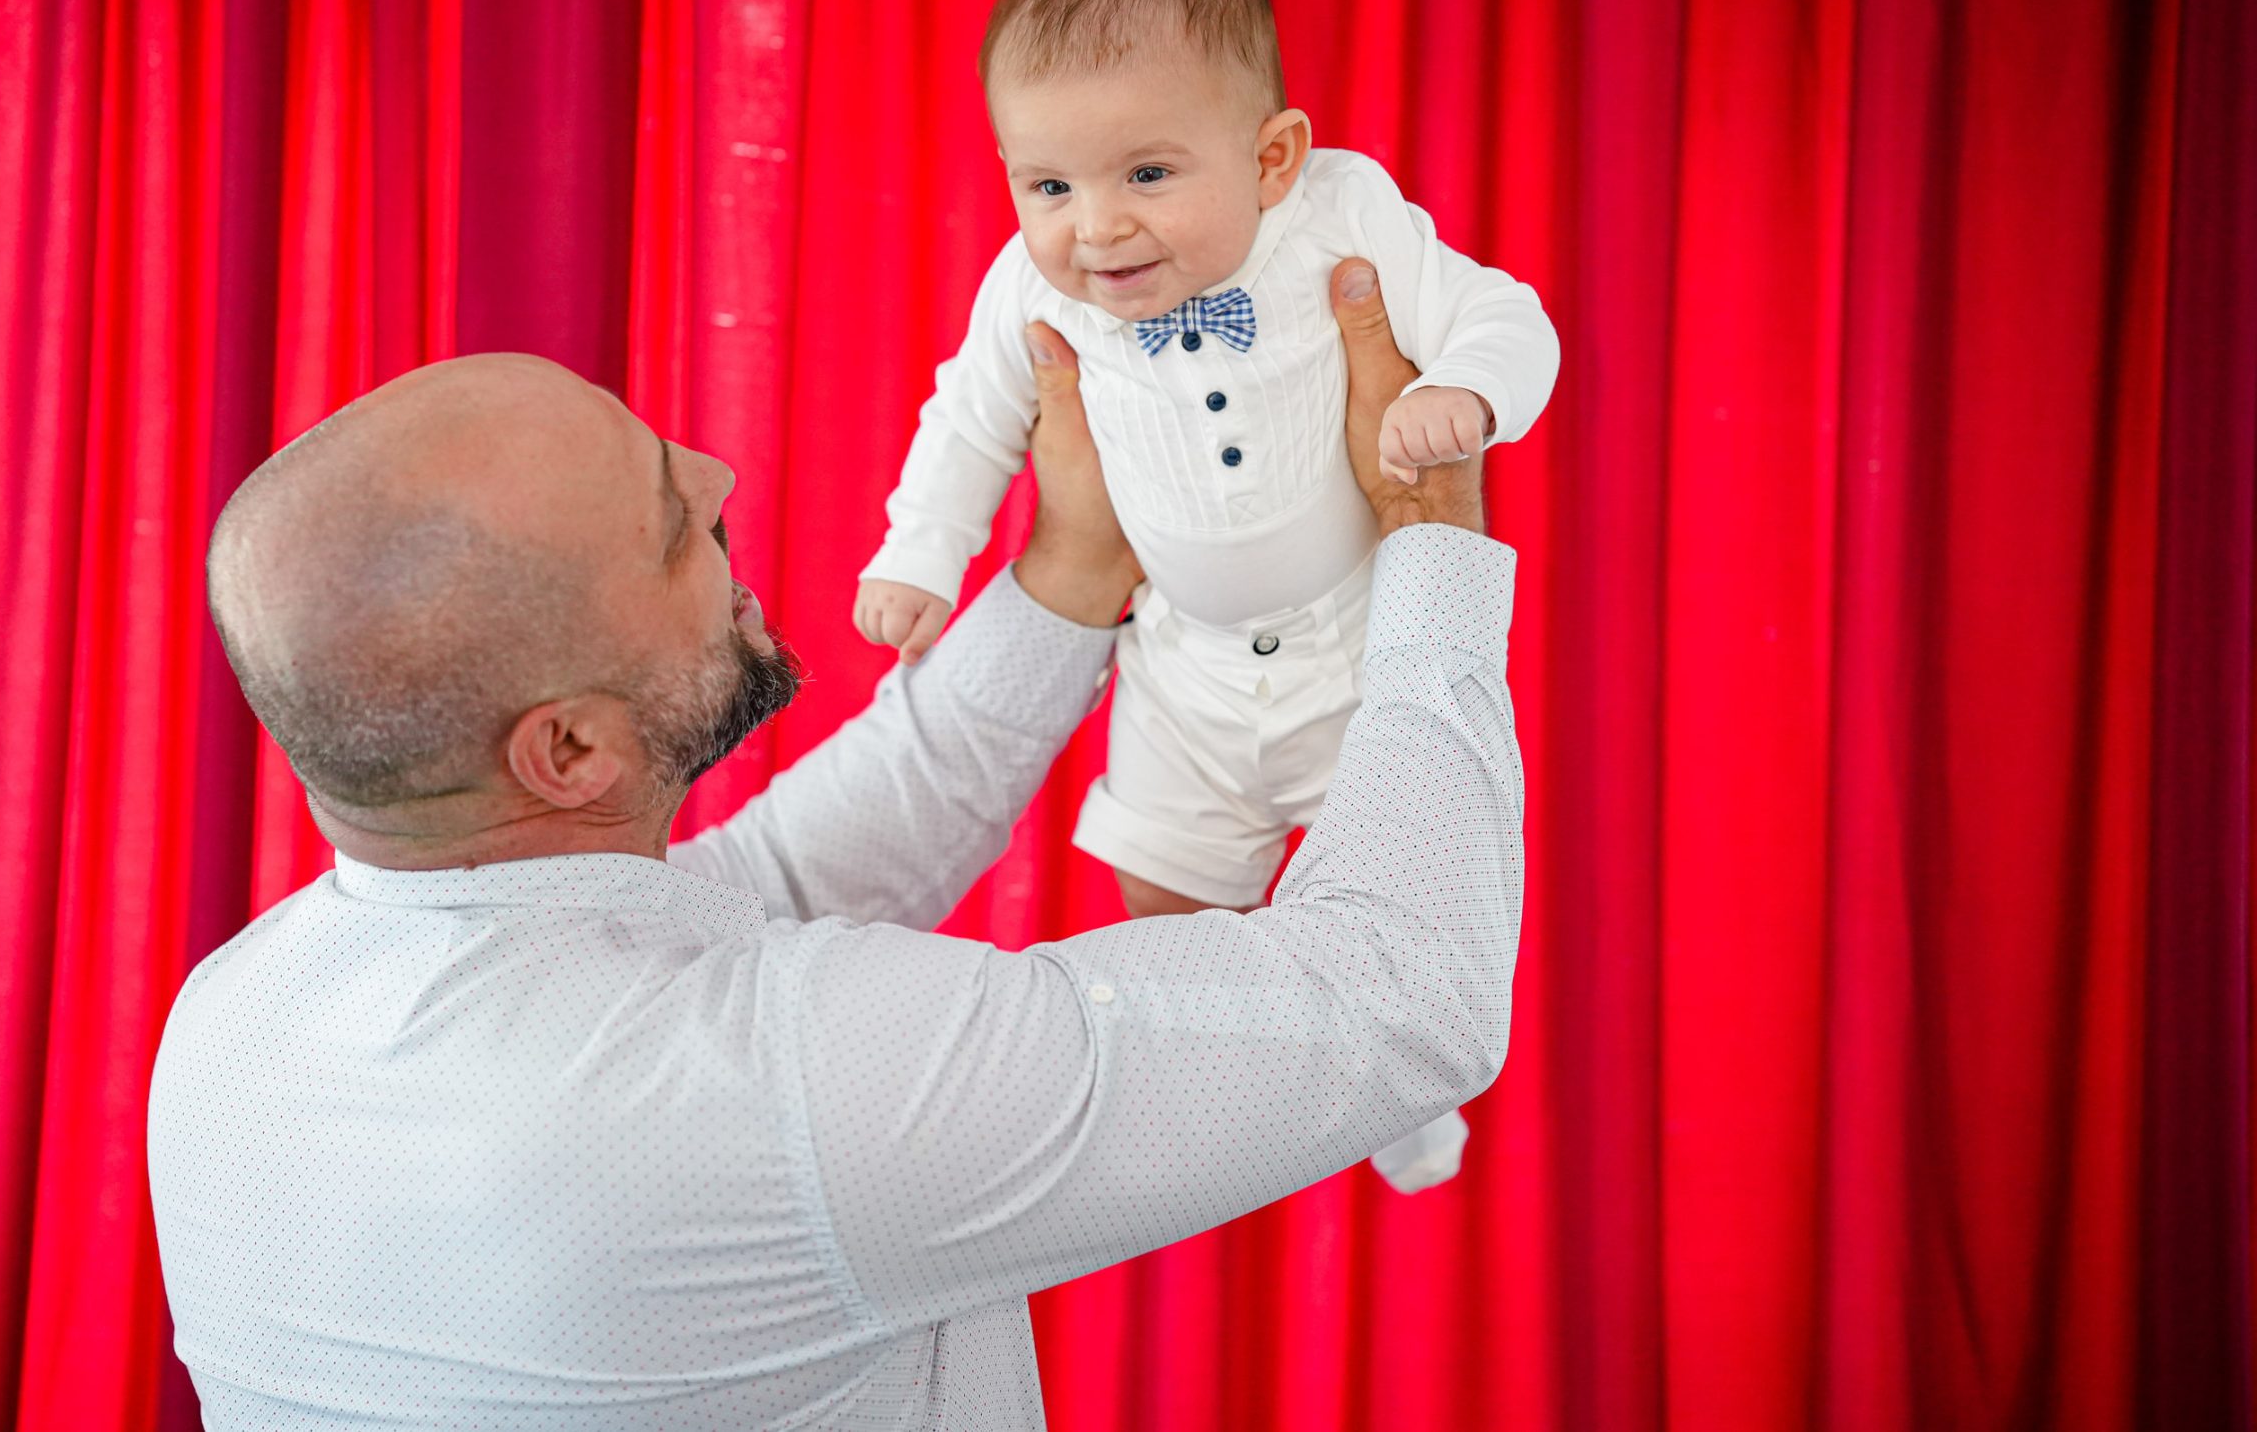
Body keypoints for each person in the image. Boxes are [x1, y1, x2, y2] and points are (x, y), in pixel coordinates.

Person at [148, 256, 1523, 1430]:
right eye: (671, 522)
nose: (718, 471)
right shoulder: (778, 1094)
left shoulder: (231, 1018)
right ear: (568, 752)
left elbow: (781, 885)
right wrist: (1429, 544)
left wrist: (1070, 574)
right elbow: (1402, 993)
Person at [853, 0, 1557, 1192]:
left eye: (1147, 175)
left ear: (1273, 156)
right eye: (1049, 186)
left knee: (1403, 913)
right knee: (1159, 908)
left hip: (1353, 648)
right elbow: (968, 418)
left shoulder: (1344, 218)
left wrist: (1467, 389)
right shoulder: (1030, 284)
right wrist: (918, 553)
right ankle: (1267, 1118)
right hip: (1183, 669)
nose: (1096, 228)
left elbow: (1505, 313)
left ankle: (1403, 1111)